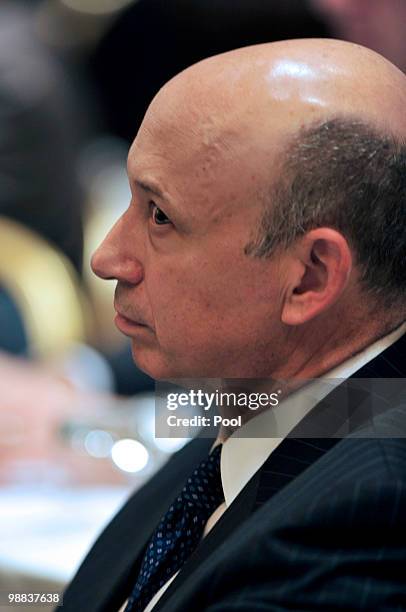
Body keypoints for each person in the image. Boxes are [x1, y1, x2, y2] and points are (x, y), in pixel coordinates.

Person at [60, 39, 406, 611]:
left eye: (160, 216)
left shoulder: (370, 516)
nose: (107, 257)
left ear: (310, 278)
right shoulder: (261, 393)